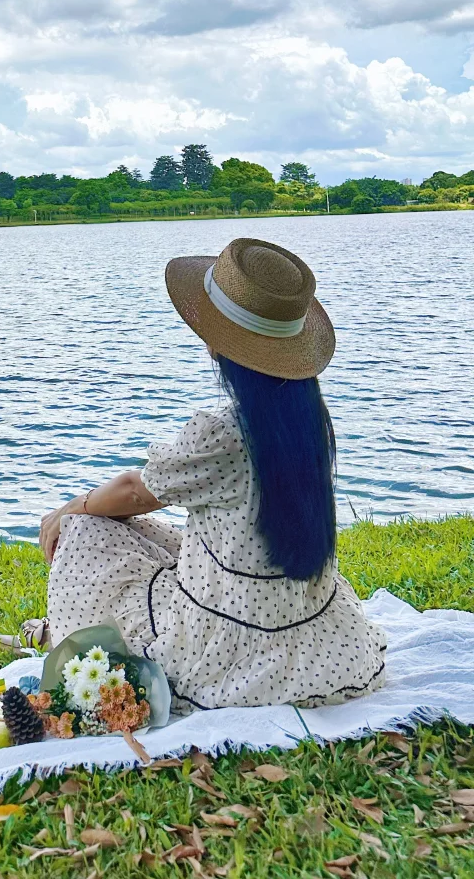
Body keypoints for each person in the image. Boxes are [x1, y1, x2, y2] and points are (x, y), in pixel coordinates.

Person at [37, 237, 387, 712]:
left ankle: (74, 648)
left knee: (87, 531)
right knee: (154, 538)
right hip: (309, 625)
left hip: (230, 641)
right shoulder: (309, 418)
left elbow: (134, 491)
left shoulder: (222, 432)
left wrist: (66, 510)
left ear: (220, 341)